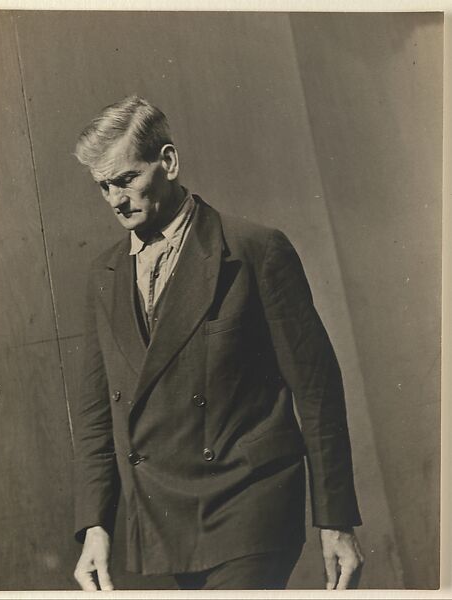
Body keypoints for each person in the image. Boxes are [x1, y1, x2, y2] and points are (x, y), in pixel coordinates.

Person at [71, 95, 364, 591]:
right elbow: (98, 414)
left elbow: (316, 391)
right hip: (162, 515)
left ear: (168, 162)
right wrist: (95, 526)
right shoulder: (105, 275)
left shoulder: (253, 250)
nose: (117, 200)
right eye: (103, 187)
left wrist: (336, 521)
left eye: (126, 179)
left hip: (249, 502)